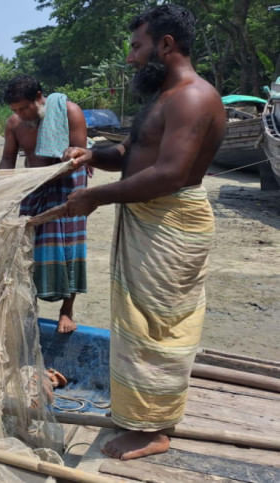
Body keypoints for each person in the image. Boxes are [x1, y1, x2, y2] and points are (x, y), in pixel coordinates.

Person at [63, 5, 225, 460]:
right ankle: (144, 413)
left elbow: (171, 174)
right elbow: (132, 152)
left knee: (159, 325)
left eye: (137, 47)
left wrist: (97, 197)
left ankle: (153, 430)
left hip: (171, 221)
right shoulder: (164, 97)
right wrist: (91, 156)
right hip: (150, 217)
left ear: (166, 45)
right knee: (139, 322)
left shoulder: (192, 97)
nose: (132, 58)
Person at [0, 75, 89, 334]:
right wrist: (2, 188)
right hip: (34, 188)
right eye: (15, 110)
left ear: (39, 97)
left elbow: (81, 154)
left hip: (68, 186)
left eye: (24, 107)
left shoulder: (69, 112)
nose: (21, 114)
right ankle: (29, 309)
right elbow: (7, 159)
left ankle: (66, 311)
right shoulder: (15, 124)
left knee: (70, 248)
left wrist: (63, 164)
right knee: (27, 246)